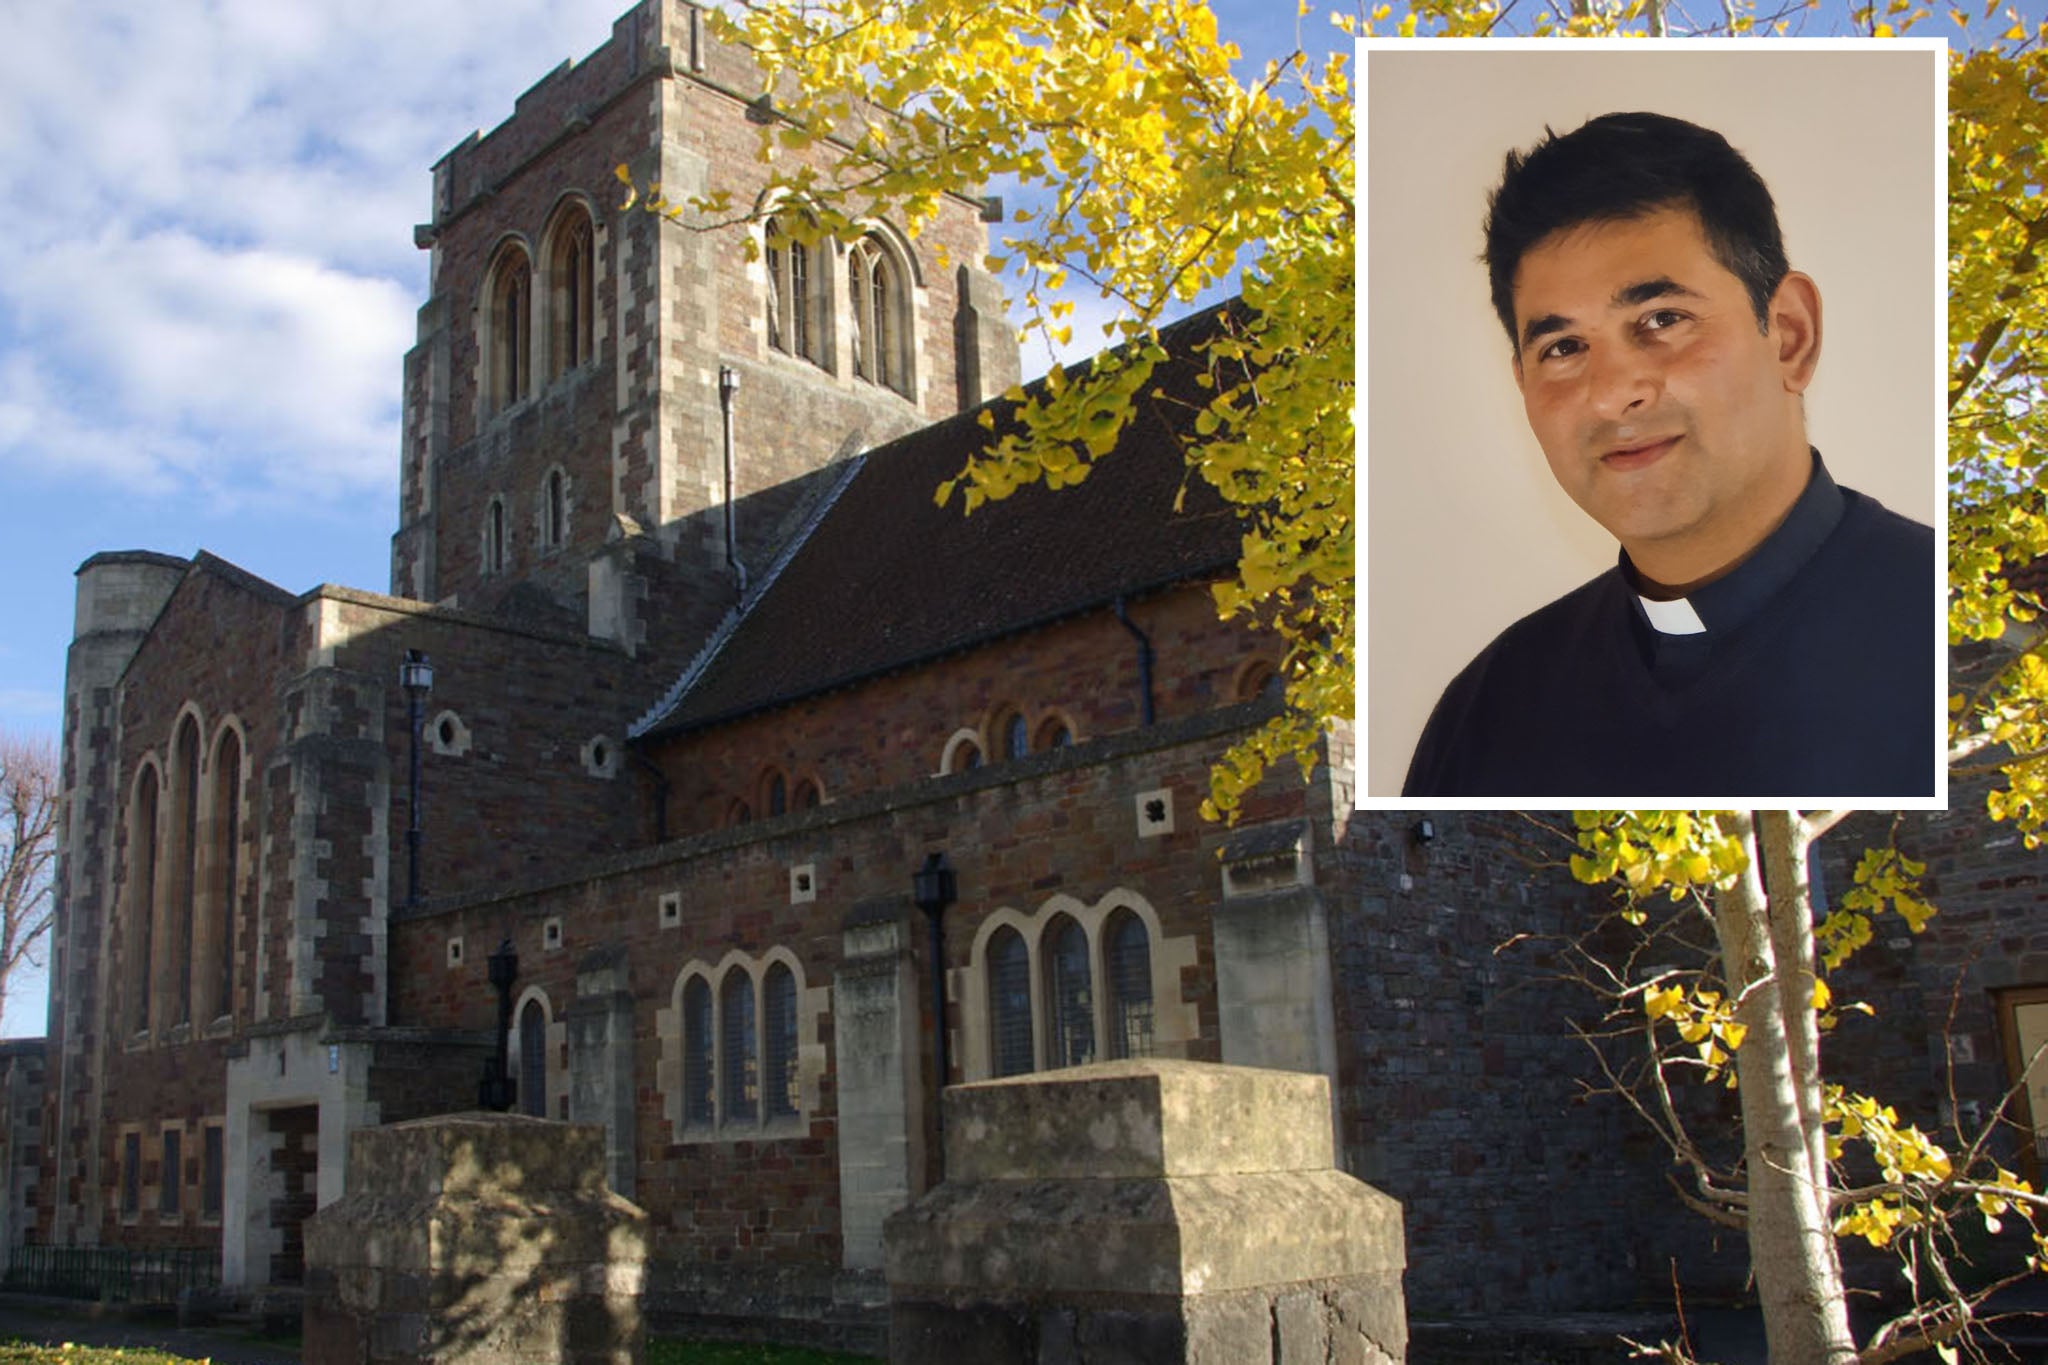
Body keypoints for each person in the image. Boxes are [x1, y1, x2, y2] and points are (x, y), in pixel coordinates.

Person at [1402, 112, 1934, 799]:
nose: (1612, 394)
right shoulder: (1485, 712)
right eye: (1563, 349)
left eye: (1662, 320)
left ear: (1790, 337)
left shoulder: (1955, 636)